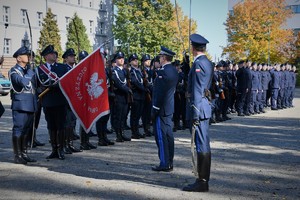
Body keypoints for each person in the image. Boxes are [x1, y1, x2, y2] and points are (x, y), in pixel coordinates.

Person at [183, 34, 213, 192]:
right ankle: (202, 179)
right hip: (204, 107)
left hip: (198, 109)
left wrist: (194, 112)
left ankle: (202, 181)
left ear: (193, 48)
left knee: (201, 144)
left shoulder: (199, 64)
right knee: (204, 143)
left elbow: (197, 89)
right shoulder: (206, 62)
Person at [35, 45, 69, 160]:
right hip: (48, 101)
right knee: (51, 126)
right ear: (45, 56)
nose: (55, 55)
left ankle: (61, 149)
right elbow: (37, 85)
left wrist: (57, 85)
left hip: (60, 100)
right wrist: (39, 89)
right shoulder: (39, 69)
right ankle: (54, 149)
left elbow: (67, 82)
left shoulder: (62, 67)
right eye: (51, 53)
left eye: (55, 53)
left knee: (61, 126)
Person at [9, 46, 38, 164]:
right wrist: (30, 71)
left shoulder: (27, 70)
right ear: (19, 58)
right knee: (19, 129)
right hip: (20, 104)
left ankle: (24, 153)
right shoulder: (14, 71)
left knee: (27, 130)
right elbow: (22, 82)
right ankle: (17, 155)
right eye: (26, 55)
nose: (29, 57)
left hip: (30, 103)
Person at [151, 46, 178, 172]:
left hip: (161, 109)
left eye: (161, 56)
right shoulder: (173, 70)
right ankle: (169, 162)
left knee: (161, 137)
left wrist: (155, 108)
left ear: (164, 58)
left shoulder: (163, 72)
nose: (159, 58)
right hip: (169, 108)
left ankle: (164, 163)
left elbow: (160, 93)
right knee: (169, 136)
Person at [62, 48, 82, 153]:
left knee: (72, 123)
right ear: (65, 58)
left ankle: (70, 144)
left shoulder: (74, 68)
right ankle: (65, 144)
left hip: (74, 100)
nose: (73, 57)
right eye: (71, 56)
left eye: (74, 56)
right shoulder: (64, 69)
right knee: (67, 123)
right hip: (66, 101)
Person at [111, 52, 132, 142]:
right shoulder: (114, 70)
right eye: (119, 58)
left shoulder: (124, 71)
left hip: (124, 97)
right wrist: (128, 90)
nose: (122, 59)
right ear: (115, 60)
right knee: (118, 116)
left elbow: (127, 81)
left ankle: (122, 133)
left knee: (123, 116)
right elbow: (118, 84)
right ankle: (118, 135)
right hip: (118, 96)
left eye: (122, 58)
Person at [128, 53, 145, 139]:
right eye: (134, 60)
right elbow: (135, 82)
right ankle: (134, 132)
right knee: (134, 115)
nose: (136, 61)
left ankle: (137, 131)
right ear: (130, 62)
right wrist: (144, 89)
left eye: (137, 60)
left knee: (138, 115)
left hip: (141, 95)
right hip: (136, 95)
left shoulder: (139, 71)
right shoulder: (131, 71)